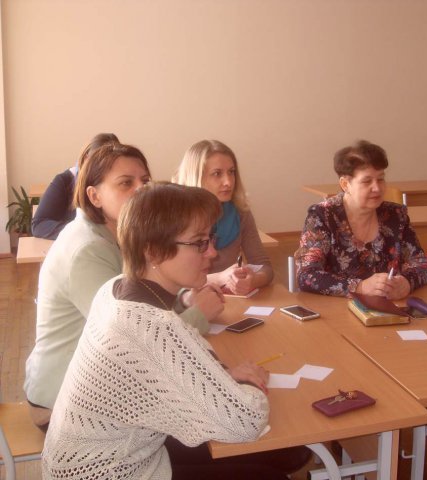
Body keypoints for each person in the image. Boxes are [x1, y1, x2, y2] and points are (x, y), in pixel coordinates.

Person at [41, 183, 295, 480]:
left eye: (210, 239)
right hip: (110, 473)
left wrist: (223, 378)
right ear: (153, 251)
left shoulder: (116, 288)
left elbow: (175, 368)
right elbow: (246, 422)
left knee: (284, 454)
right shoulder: (150, 327)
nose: (212, 252)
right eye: (199, 243)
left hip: (105, 459)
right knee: (270, 470)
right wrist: (248, 383)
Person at [24, 143, 221, 431]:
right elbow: (129, 344)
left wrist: (183, 300)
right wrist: (198, 316)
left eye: (145, 181)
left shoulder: (114, 234)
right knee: (209, 423)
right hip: (62, 404)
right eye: (126, 183)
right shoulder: (88, 250)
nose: (140, 190)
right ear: (94, 196)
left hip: (100, 387)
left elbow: (143, 299)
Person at [296, 140, 427, 299]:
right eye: (367, 181)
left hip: (388, 307)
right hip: (336, 308)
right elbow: (307, 275)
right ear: (345, 184)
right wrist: (360, 287)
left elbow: (421, 263)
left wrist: (406, 283)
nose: (377, 188)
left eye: (380, 179)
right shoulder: (322, 215)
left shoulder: (396, 215)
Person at [173, 140, 274, 296]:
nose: (228, 182)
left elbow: (264, 266)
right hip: (186, 304)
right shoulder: (174, 216)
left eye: (231, 172)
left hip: (227, 301)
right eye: (217, 174)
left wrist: (253, 280)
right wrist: (219, 278)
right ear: (196, 176)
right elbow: (172, 281)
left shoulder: (240, 212)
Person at [31, 133, 119, 239]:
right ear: (86, 159)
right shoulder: (64, 181)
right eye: (101, 163)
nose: (105, 170)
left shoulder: (118, 186)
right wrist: (82, 231)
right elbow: (39, 224)